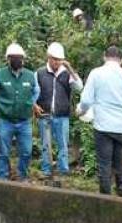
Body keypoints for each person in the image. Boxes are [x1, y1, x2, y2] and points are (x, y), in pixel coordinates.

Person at [77, 46, 122, 196]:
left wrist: (81, 111)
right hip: (121, 127)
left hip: (102, 126)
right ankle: (121, 192)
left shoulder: (96, 74)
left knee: (104, 164)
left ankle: (106, 197)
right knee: (119, 161)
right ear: (121, 61)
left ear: (104, 57)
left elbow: (86, 100)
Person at [0, 43, 40, 181]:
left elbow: (37, 90)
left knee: (26, 151)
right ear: (8, 59)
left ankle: (22, 176)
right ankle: (2, 179)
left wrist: (31, 102)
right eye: (14, 58)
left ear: (23, 59)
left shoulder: (30, 76)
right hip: (5, 120)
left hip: (24, 121)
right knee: (3, 152)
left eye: (20, 58)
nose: (18, 60)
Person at [34, 42, 83, 179]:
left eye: (59, 59)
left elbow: (79, 87)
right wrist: (34, 105)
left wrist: (70, 69)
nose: (57, 62)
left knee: (63, 145)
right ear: (48, 57)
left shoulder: (67, 74)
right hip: (45, 115)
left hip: (62, 116)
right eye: (54, 59)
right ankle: (46, 170)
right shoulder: (39, 73)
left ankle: (63, 171)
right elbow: (32, 92)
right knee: (45, 145)